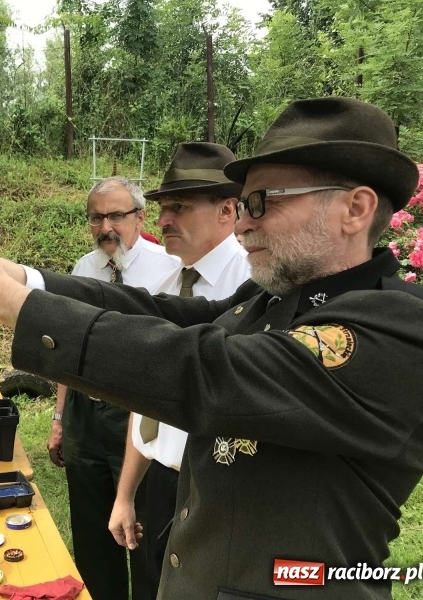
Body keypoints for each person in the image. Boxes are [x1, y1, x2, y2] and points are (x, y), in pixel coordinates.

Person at [0, 97, 423, 599]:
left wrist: (10, 305)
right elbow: (163, 313)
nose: (243, 224)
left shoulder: (397, 328)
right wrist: (17, 278)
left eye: (261, 202)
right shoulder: (274, 299)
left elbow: (203, 369)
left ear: (355, 209)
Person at [108, 142, 251, 598]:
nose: (164, 220)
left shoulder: (255, 290)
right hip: (160, 479)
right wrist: (126, 494)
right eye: (163, 208)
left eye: (180, 207)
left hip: (218, 487)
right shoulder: (166, 286)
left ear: (227, 210)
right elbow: (144, 399)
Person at [47, 176, 178, 600]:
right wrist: (59, 418)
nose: (106, 227)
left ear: (140, 217)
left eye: (116, 215)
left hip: (137, 411)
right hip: (85, 412)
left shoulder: (168, 268)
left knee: (143, 525)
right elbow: (66, 350)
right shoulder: (83, 270)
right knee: (91, 527)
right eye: (96, 218)